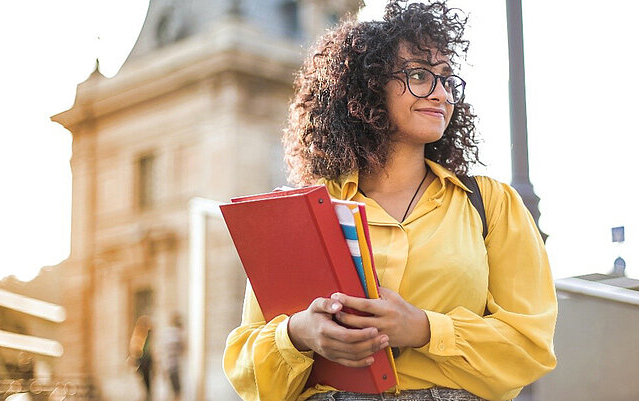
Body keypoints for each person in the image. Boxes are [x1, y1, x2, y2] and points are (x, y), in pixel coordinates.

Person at [223, 1, 557, 400]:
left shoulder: (492, 204)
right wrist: (298, 334)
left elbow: (531, 346)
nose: (440, 94)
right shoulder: (303, 212)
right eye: (419, 75)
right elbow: (245, 368)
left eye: (447, 80)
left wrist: (424, 329)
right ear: (369, 86)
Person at [129, 315, 153, 401]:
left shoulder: (147, 335)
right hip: (142, 361)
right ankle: (146, 396)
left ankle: (147, 396)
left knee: (147, 381)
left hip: (146, 361)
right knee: (144, 381)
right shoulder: (139, 335)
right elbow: (135, 349)